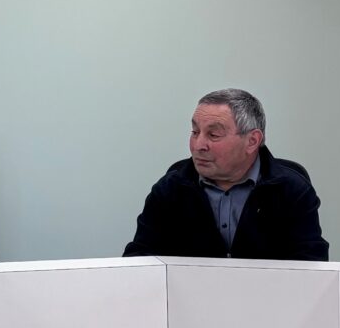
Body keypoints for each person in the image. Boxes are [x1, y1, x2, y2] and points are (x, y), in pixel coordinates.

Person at [123, 88, 328, 260]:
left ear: (252, 141)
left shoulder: (291, 190)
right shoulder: (172, 188)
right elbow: (140, 261)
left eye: (213, 134)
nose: (198, 145)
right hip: (192, 303)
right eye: (195, 132)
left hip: (269, 301)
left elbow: (312, 265)